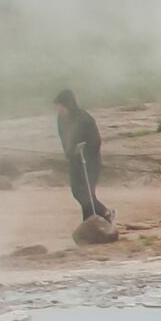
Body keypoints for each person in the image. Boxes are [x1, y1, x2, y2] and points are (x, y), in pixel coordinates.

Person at [52, 90, 110, 222]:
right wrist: (69, 152)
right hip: (74, 160)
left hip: (89, 160)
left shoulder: (84, 119)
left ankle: (98, 216)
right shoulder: (61, 119)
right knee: (77, 192)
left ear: (67, 104)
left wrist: (84, 150)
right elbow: (63, 138)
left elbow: (96, 140)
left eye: (60, 106)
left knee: (87, 192)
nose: (58, 109)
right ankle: (101, 215)